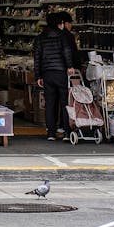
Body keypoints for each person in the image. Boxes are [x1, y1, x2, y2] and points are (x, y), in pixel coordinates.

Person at [34, 13, 76, 141]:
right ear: (60, 23)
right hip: (60, 72)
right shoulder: (62, 35)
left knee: (50, 103)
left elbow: (37, 57)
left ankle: (51, 133)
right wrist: (70, 66)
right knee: (64, 102)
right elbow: (66, 51)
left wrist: (38, 75)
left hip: (47, 73)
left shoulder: (40, 37)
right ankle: (66, 132)